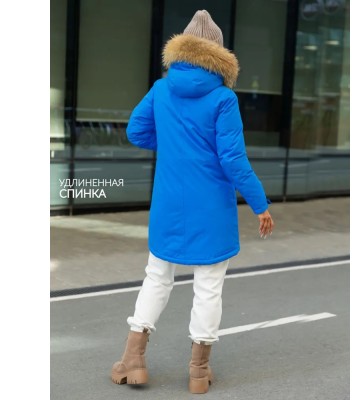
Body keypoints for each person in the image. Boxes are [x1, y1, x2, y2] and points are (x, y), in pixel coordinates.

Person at [111, 9, 275, 394]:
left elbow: (136, 132)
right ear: (218, 55)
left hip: (168, 204)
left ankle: (133, 361)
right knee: (209, 286)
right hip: (212, 209)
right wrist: (260, 204)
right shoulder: (223, 98)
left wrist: (174, 144)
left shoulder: (161, 88)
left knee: (157, 276)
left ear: (182, 50)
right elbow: (233, 159)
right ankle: (198, 372)